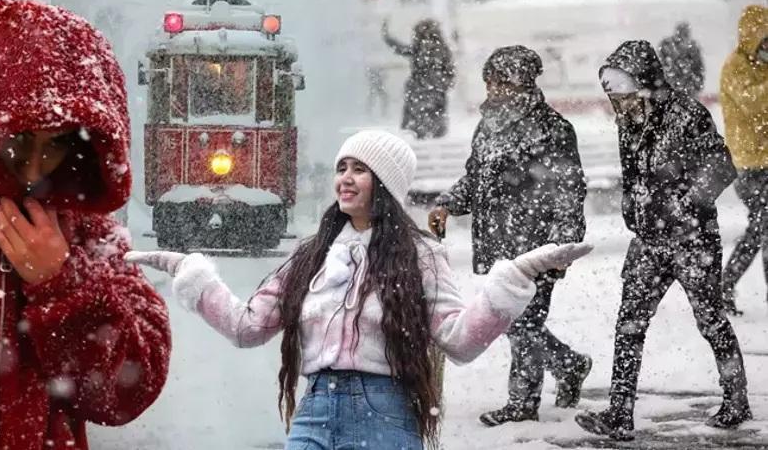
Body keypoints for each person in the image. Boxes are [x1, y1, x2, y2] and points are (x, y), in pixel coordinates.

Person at [127, 130, 592, 450]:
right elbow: (247, 326)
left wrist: (514, 279)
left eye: (360, 169)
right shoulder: (313, 254)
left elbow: (461, 340)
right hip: (313, 407)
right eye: (342, 167)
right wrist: (189, 272)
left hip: (384, 410)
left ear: (385, 184)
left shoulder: (420, 254)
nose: (345, 178)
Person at [0, 0, 171, 449]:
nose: (34, 169)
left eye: (59, 143)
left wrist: (63, 285)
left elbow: (130, 388)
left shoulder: (85, 228)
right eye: (18, 141)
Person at [575, 40, 750, 441]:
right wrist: (632, 205)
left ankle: (736, 399)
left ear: (647, 85)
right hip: (649, 241)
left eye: (626, 98)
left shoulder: (687, 115)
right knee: (629, 325)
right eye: (616, 101)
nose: (621, 109)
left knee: (710, 321)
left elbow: (722, 167)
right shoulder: (630, 121)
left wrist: (685, 201)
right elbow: (636, 174)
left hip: (693, 240)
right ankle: (620, 415)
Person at [427, 45, 591, 427]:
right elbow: (476, 177)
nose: (493, 88)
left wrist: (562, 245)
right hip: (498, 242)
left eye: (501, 81)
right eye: (490, 80)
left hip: (537, 244)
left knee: (524, 323)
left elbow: (569, 189)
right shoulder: (489, 126)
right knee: (514, 319)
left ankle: (523, 402)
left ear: (522, 83)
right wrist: (448, 203)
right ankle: (570, 364)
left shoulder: (552, 129)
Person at [719, 5, 768, 315]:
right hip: (750, 165)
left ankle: (725, 284)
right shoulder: (735, 67)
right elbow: (753, 103)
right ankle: (725, 283)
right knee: (764, 227)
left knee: (760, 228)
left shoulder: (763, 69)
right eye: (765, 41)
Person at [382, 19, 455, 139]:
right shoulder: (438, 49)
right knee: (431, 124)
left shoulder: (424, 49)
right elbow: (450, 71)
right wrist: (444, 83)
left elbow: (400, 48)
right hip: (430, 91)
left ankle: (421, 134)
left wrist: (387, 37)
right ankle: (428, 135)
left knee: (419, 124)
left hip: (423, 91)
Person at [658, 22, 705, 97]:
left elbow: (699, 69)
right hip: (676, 88)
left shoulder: (693, 48)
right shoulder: (667, 45)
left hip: (685, 89)